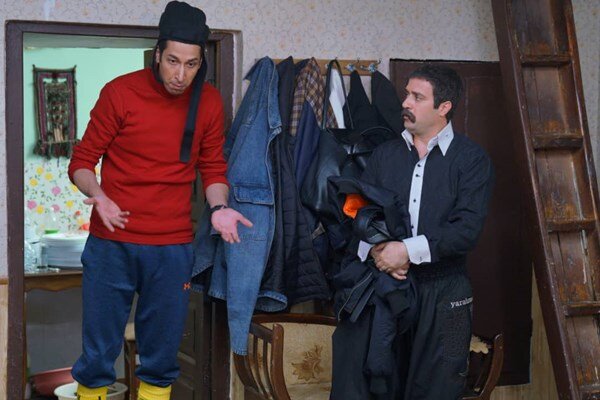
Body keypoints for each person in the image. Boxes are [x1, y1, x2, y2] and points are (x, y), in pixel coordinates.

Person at [68, 2, 251, 399]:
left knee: (161, 358)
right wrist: (99, 195)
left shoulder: (208, 102)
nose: (180, 75)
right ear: (157, 55)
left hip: (171, 248)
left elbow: (213, 168)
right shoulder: (120, 93)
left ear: (201, 63)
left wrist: (220, 208)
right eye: (172, 61)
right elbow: (81, 161)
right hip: (112, 242)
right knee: (98, 356)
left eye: (191, 64)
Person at [336, 65, 494, 399]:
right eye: (407, 94)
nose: (405, 102)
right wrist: (379, 251)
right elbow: (361, 216)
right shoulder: (384, 155)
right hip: (386, 287)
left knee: (440, 388)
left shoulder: (472, 160)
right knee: (375, 385)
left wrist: (405, 251)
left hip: (447, 291)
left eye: (417, 97)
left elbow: (466, 231)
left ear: (444, 107)